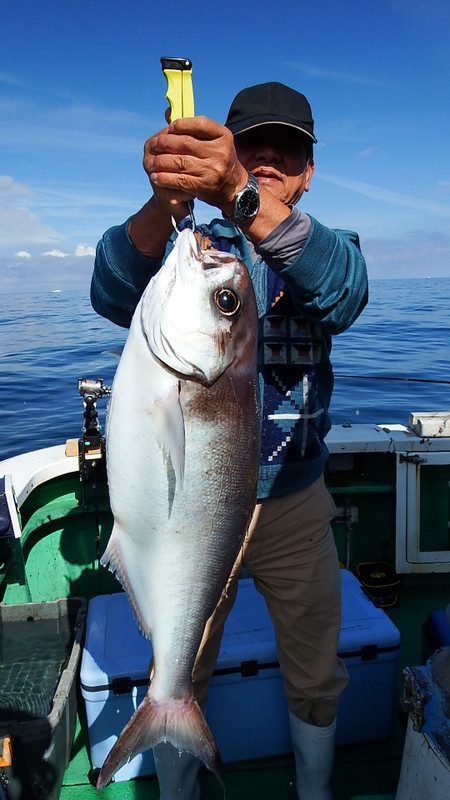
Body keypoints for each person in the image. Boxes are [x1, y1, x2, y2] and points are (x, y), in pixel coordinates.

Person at [91, 81, 368, 800]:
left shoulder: (326, 250)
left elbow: (342, 289)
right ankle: (176, 757)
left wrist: (240, 191)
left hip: (296, 503)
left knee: (316, 667)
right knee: (185, 660)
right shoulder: (190, 252)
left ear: (309, 172)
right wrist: (168, 201)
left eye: (289, 151)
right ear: (229, 154)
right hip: (190, 503)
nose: (270, 159)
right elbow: (110, 290)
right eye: (252, 147)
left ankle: (315, 790)